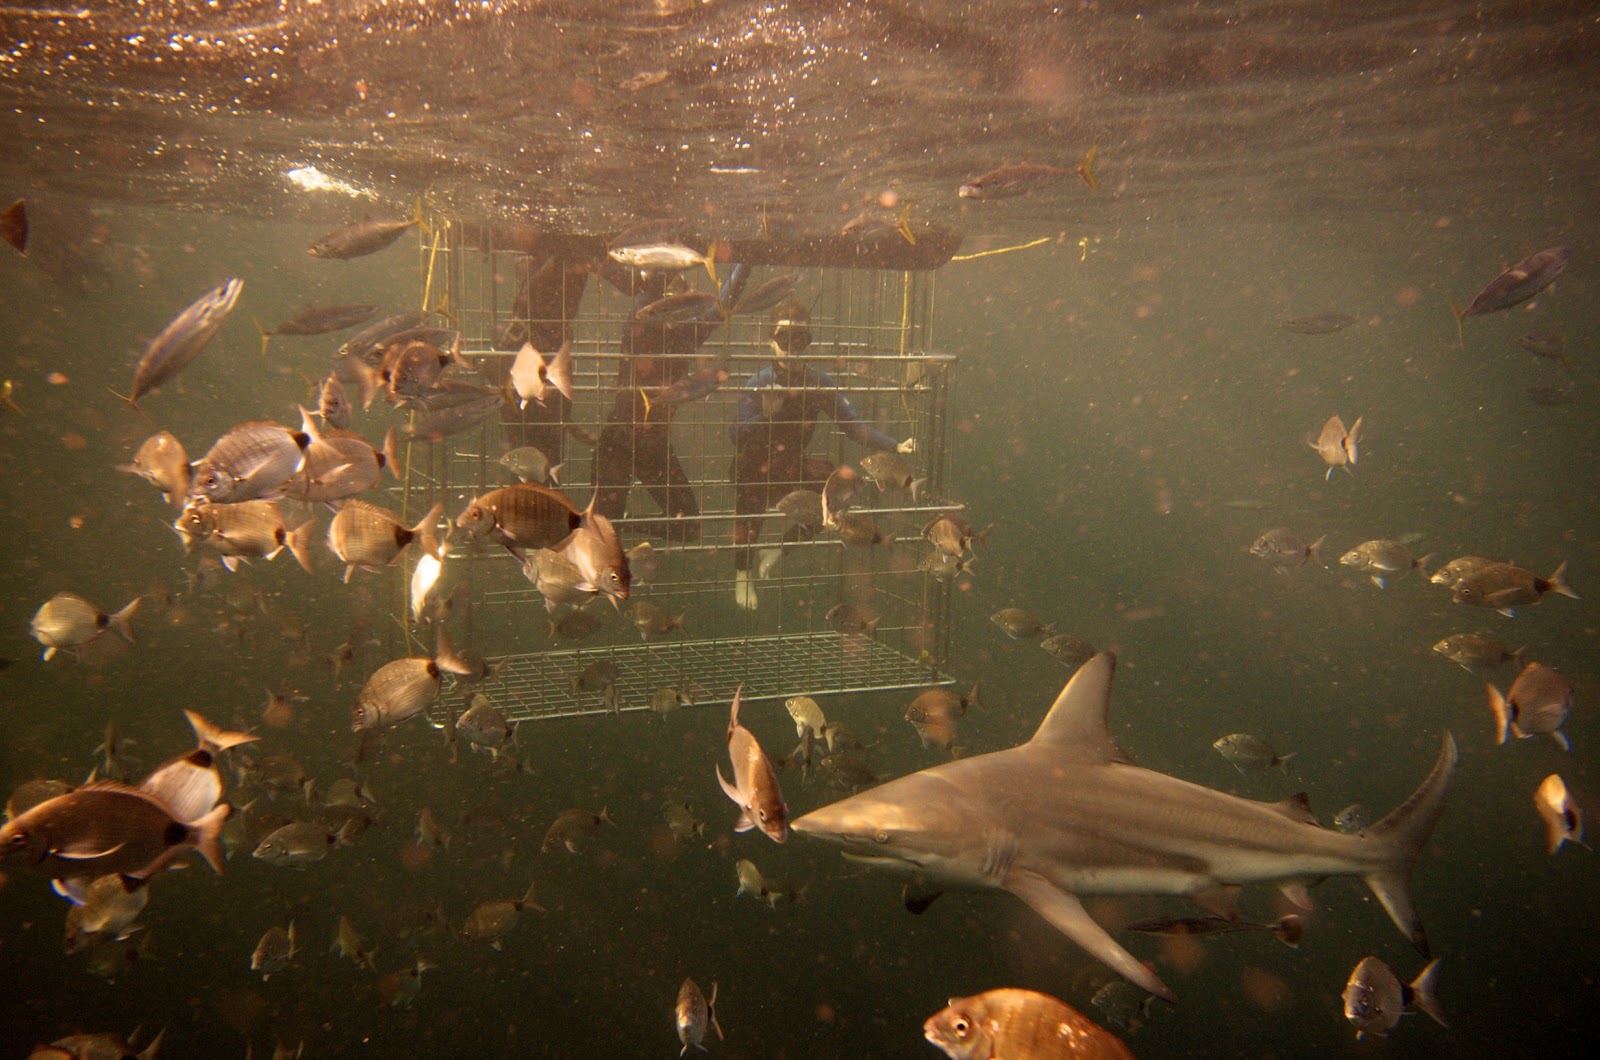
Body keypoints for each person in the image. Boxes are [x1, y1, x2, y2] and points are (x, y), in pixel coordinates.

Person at [728, 302, 915, 610]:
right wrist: (765, 416)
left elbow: (852, 425)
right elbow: (736, 436)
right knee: (749, 507)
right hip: (755, 465)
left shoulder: (819, 383)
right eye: (784, 338)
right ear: (770, 341)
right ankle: (742, 573)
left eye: (799, 339)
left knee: (840, 493)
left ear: (809, 341)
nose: (791, 348)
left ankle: (779, 548)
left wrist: (894, 445)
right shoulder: (759, 382)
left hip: (791, 464)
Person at [591, 261, 749, 541]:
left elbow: (725, 301)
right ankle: (615, 526)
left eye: (685, 300)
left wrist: (746, 262)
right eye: (672, 300)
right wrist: (670, 257)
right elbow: (649, 290)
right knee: (599, 533)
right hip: (618, 440)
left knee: (689, 529)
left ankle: (623, 525)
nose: (677, 307)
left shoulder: (687, 335)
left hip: (654, 444)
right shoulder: (639, 324)